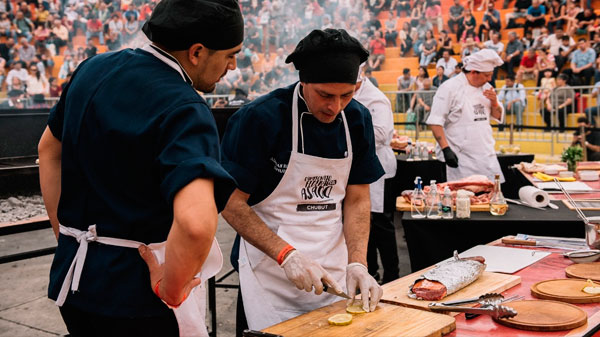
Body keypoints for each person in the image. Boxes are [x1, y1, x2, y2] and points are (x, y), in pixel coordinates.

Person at [37, 0, 243, 336]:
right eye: (230, 54)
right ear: (197, 52)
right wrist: (172, 289)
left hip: (73, 283)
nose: (233, 66)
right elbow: (195, 224)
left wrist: (66, 235)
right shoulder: (185, 107)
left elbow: (48, 150)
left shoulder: (92, 69)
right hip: (136, 299)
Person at [221, 29, 384, 332]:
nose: (335, 107)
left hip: (333, 270)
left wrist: (358, 261)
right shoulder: (260, 119)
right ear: (303, 81)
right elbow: (230, 203)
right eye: (325, 95)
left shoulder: (358, 120)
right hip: (269, 273)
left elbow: (358, 198)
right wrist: (287, 255)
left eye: (346, 95)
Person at [426, 49, 505, 182]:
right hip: (460, 158)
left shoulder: (487, 88)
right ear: (474, 72)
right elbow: (435, 122)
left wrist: (494, 102)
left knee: (490, 197)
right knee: (461, 198)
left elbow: (497, 116)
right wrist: (446, 149)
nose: (490, 79)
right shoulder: (449, 88)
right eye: (487, 75)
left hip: (485, 156)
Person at [353, 65, 399, 285]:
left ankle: (392, 275)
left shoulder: (375, 99)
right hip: (357, 167)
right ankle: (370, 273)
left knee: (382, 226)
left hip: (379, 170)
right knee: (362, 225)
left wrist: (348, 128)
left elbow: (382, 134)